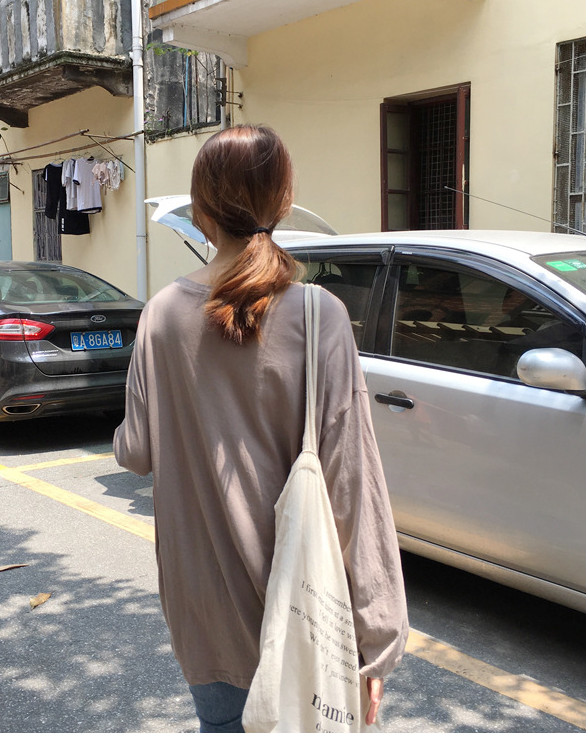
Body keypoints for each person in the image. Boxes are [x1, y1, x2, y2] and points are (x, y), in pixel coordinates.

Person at [114, 124, 408, 732]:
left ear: (200, 214)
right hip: (304, 611)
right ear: (283, 203)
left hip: (204, 610)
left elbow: (135, 451)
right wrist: (377, 635)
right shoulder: (317, 315)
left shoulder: (161, 315)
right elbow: (352, 481)